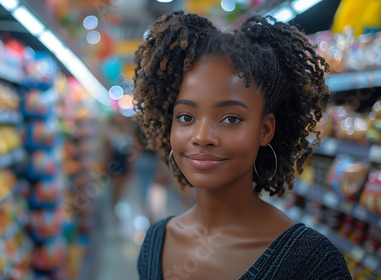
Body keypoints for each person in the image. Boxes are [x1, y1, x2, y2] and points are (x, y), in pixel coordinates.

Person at [132, 11, 352, 280]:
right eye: (186, 117)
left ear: (265, 130)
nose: (202, 136)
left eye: (231, 118)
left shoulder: (313, 264)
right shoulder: (156, 242)